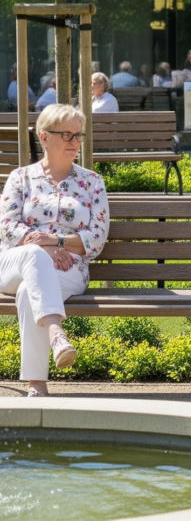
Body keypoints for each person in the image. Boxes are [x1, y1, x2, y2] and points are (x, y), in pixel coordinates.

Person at [0, 104, 110, 397]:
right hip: (15, 261)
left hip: (69, 269)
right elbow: (8, 228)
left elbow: (96, 239)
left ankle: (37, 385)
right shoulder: (20, 177)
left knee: (28, 292)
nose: (75, 142)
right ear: (44, 137)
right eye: (66, 135)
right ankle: (56, 333)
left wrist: (57, 243)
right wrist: (45, 248)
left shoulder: (92, 182)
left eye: (78, 135)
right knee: (35, 257)